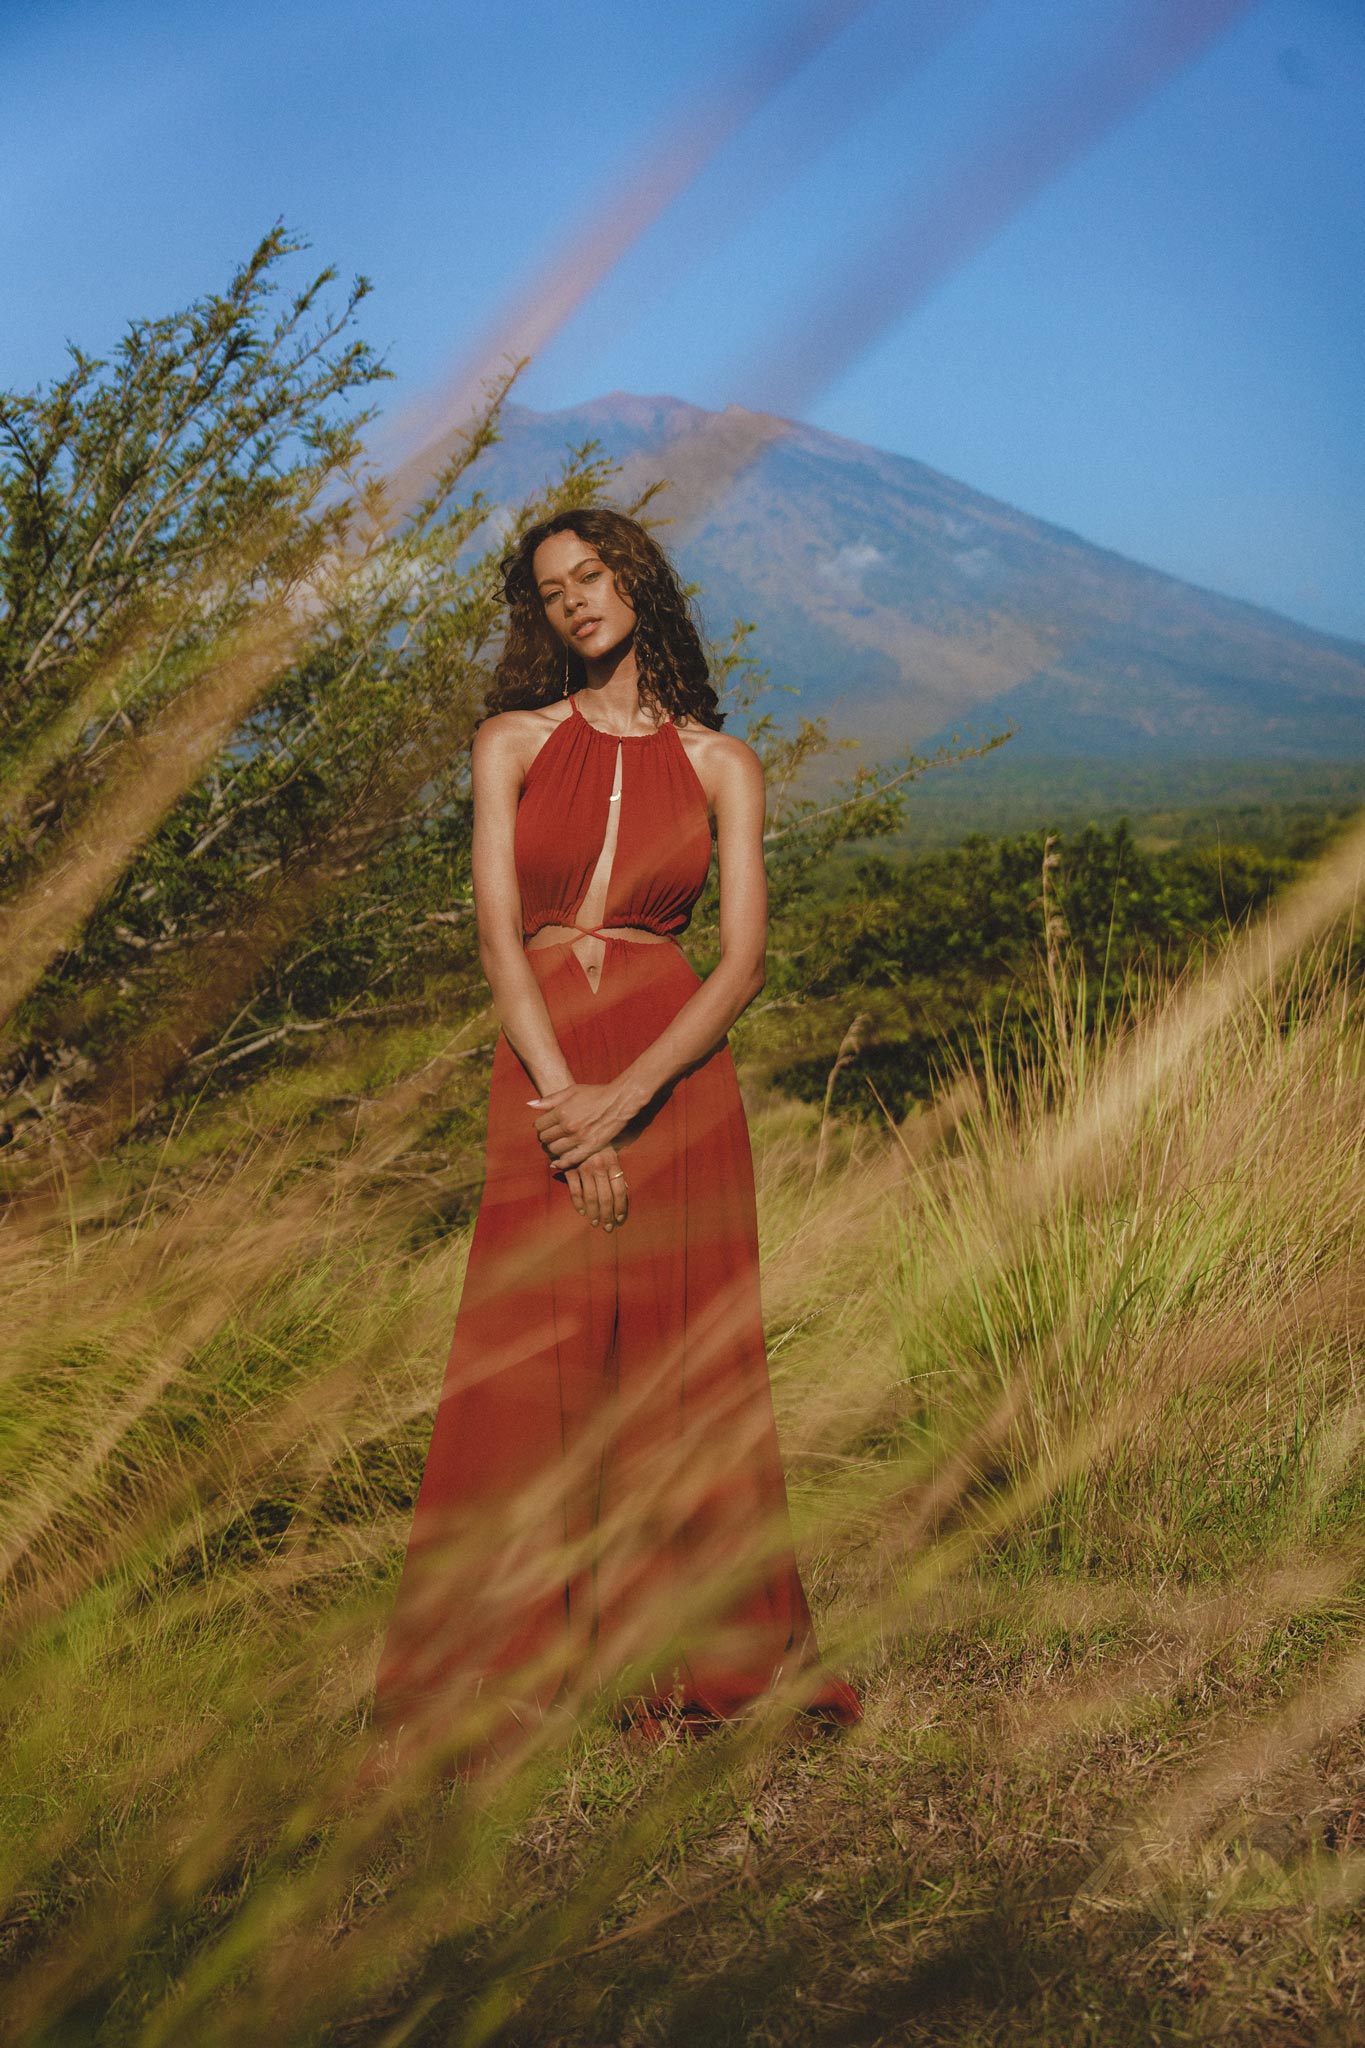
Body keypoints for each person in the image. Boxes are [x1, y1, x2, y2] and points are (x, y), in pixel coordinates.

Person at [372, 507, 860, 1775]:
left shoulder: (722, 765)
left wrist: (627, 1095)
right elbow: (496, 941)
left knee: (677, 1366)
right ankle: (506, 1682)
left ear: (635, 583)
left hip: (673, 1080)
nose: (575, 600)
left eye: (592, 576)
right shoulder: (509, 742)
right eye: (550, 590)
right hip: (540, 1075)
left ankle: (695, 1657)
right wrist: (562, 1105)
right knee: (529, 1358)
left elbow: (741, 958)